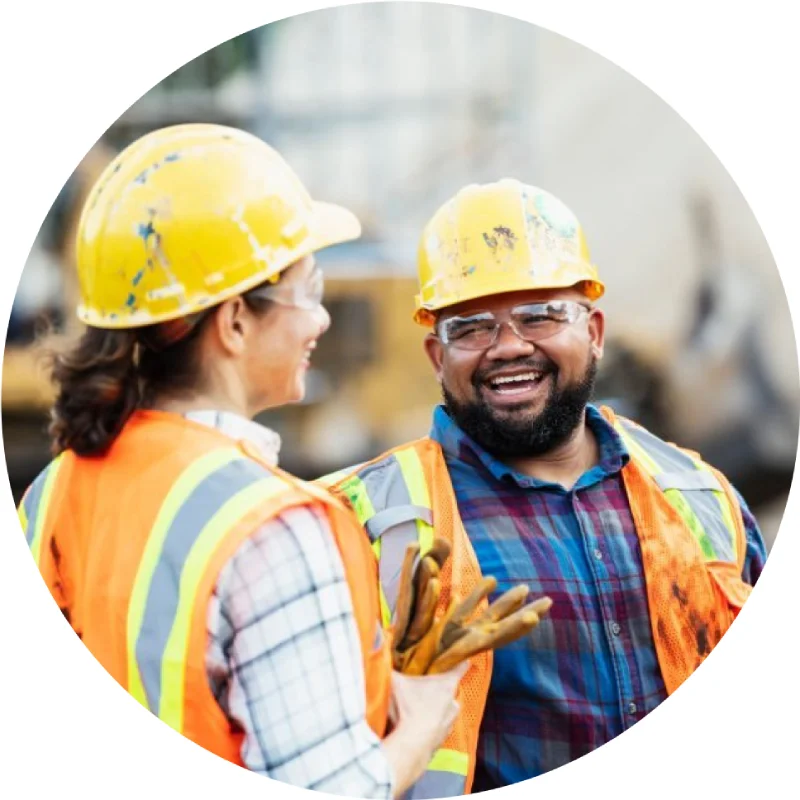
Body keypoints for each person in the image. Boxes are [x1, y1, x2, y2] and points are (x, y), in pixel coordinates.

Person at [17, 123, 467, 798]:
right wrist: (423, 726)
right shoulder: (273, 528)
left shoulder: (50, 492)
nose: (320, 321)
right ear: (233, 322)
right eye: (309, 292)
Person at [320, 179, 768, 795]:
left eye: (540, 315)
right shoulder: (361, 523)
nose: (508, 347)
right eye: (472, 327)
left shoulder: (699, 495)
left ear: (596, 331)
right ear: (434, 356)